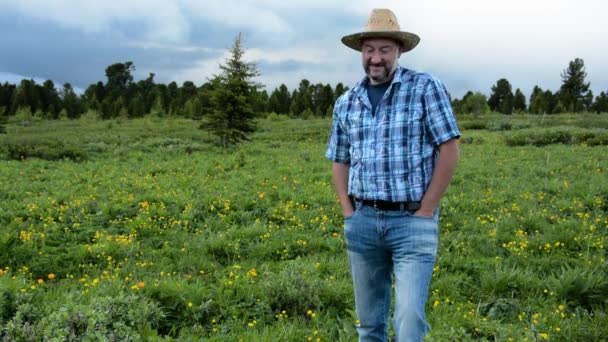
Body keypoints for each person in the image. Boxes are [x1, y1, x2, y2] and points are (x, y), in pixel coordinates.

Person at [325, 8, 461, 342]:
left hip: (412, 221)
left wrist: (426, 211)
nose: (376, 58)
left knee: (409, 320)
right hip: (364, 222)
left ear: (399, 51)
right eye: (370, 50)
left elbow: (449, 148)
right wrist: (348, 212)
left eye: (385, 50)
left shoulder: (425, 88)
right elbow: (340, 159)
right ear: (362, 52)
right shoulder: (347, 101)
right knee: (369, 325)